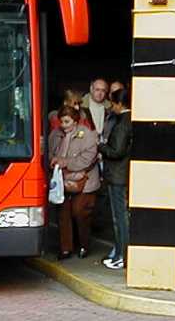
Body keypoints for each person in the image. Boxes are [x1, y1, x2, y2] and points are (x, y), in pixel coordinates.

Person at [49, 105, 100, 260]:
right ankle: (66, 248)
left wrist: (65, 162)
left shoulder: (88, 136)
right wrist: (53, 160)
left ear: (76, 121)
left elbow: (87, 158)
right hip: (62, 180)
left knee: (80, 212)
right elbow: (50, 152)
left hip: (84, 181)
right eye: (62, 122)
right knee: (63, 214)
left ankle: (84, 245)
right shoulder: (55, 134)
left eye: (67, 122)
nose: (63, 125)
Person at [98, 88, 132, 270]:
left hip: (117, 175)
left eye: (113, 103)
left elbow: (116, 151)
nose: (112, 106)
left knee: (119, 218)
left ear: (120, 104)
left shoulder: (122, 123)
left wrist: (101, 147)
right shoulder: (130, 121)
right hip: (122, 174)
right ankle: (121, 254)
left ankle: (121, 255)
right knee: (121, 217)